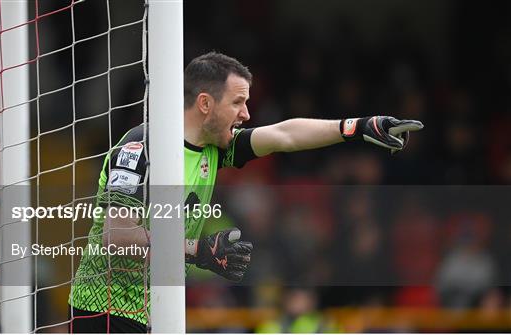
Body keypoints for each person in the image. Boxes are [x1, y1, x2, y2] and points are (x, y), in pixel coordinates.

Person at [68, 52, 423, 332]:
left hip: (156, 309)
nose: (246, 113)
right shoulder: (142, 145)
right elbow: (116, 235)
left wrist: (356, 127)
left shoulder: (215, 148)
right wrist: (198, 250)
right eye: (238, 102)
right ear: (206, 103)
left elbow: (284, 135)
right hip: (104, 311)